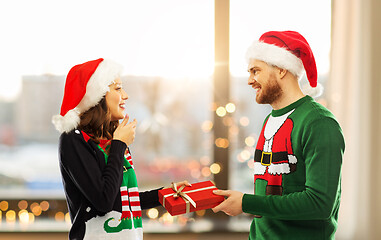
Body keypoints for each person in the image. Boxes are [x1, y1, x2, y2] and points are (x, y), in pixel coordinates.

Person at [212, 31, 345, 240]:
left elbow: (319, 204)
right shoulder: (270, 121)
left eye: (255, 71)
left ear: (282, 69)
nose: (250, 80)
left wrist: (246, 202)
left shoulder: (319, 123)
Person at [52, 58, 189, 240]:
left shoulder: (113, 140)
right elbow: (103, 201)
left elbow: (123, 200)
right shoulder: (74, 140)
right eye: (117, 88)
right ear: (98, 96)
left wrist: (165, 194)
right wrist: (119, 145)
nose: (125, 95)